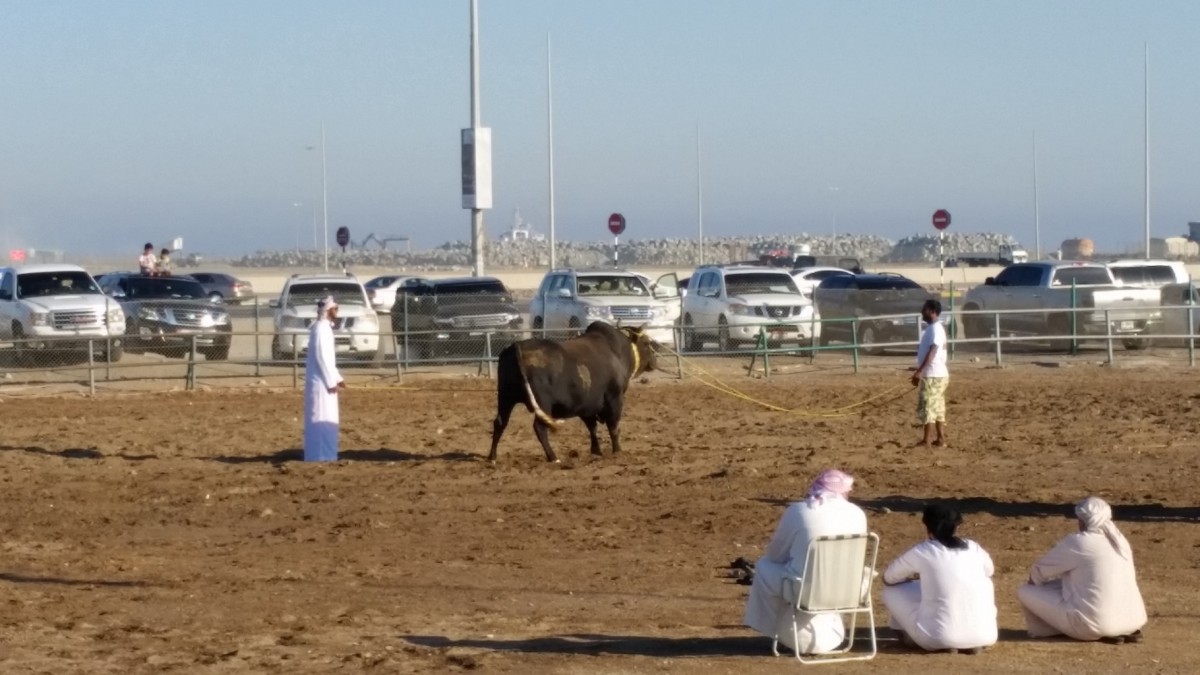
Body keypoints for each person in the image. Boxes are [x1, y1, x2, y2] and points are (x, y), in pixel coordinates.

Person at [744, 469, 868, 655]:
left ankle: (769, 627)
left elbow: (775, 555)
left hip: (804, 591)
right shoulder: (858, 513)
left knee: (763, 566)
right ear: (845, 491)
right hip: (848, 591)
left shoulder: (799, 511)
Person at [1016, 496, 1147, 643]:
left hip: (1094, 626)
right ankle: (1115, 628)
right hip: (1134, 621)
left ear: (1081, 520)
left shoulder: (1079, 542)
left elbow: (1038, 574)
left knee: (1025, 591)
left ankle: (1050, 630)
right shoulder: (1119, 541)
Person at [881, 504, 998, 653]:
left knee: (890, 591)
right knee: (981, 582)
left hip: (937, 638)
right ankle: (970, 639)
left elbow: (889, 579)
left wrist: (918, 577)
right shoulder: (974, 548)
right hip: (986, 636)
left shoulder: (923, 550)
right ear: (957, 528)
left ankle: (913, 637)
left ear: (927, 527)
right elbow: (989, 571)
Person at [304, 295, 345, 462]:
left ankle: (328, 454)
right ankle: (319, 456)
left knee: (329, 420)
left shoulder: (325, 328)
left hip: (326, 381)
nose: (337, 311)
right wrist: (330, 382)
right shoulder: (320, 328)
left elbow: (329, 359)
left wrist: (338, 378)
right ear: (328, 310)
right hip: (321, 384)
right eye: (335, 308)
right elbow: (321, 357)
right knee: (320, 419)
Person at [911, 299, 948, 448]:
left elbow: (933, 351)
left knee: (928, 406)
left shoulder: (935, 329)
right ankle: (940, 439)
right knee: (937, 407)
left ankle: (926, 440)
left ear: (932, 311)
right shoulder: (933, 329)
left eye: (925, 309)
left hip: (933, 374)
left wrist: (920, 371)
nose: (922, 312)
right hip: (936, 374)